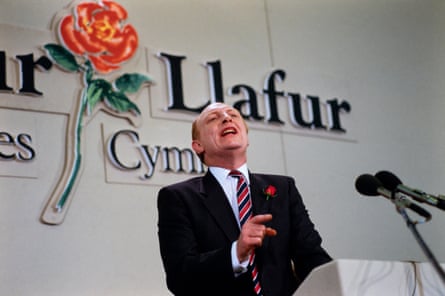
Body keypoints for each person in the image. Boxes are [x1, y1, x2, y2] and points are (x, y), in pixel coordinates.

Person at [157, 102, 332, 296]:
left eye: (233, 114)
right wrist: (235, 253)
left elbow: (311, 256)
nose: (226, 118)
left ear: (246, 138)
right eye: (213, 118)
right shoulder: (178, 197)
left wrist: (341, 282)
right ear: (198, 146)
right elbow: (180, 278)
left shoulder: (283, 188)